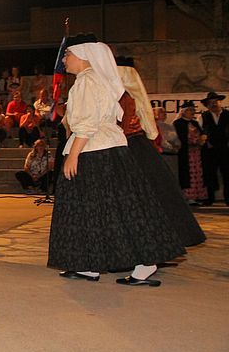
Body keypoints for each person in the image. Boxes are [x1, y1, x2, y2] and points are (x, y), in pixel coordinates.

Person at [48, 40, 184, 287]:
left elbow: (87, 122)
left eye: (67, 55)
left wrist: (73, 154)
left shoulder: (88, 81)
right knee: (99, 209)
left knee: (111, 209)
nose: (64, 60)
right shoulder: (94, 79)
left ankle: (145, 262)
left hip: (94, 151)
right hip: (104, 149)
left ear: (82, 56)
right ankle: (89, 265)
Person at [117, 61, 205, 247]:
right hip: (141, 146)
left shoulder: (124, 97)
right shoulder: (134, 96)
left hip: (130, 146)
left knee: (142, 195)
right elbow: (150, 130)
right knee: (157, 194)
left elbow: (124, 126)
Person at [174, 102, 209, 204]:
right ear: (183, 112)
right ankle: (189, 196)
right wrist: (194, 141)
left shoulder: (195, 123)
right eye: (190, 110)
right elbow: (181, 137)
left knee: (199, 173)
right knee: (188, 174)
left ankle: (199, 195)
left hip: (197, 152)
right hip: (186, 152)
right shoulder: (178, 123)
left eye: (193, 110)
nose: (192, 112)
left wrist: (202, 139)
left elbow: (202, 133)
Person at [199, 91, 229, 206]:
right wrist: (205, 141)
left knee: (227, 174)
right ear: (207, 105)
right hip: (209, 150)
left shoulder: (228, 114)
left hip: (226, 149)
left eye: (216, 101)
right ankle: (209, 198)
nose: (214, 104)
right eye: (211, 102)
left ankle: (228, 198)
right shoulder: (203, 116)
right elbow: (200, 132)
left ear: (220, 102)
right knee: (209, 174)